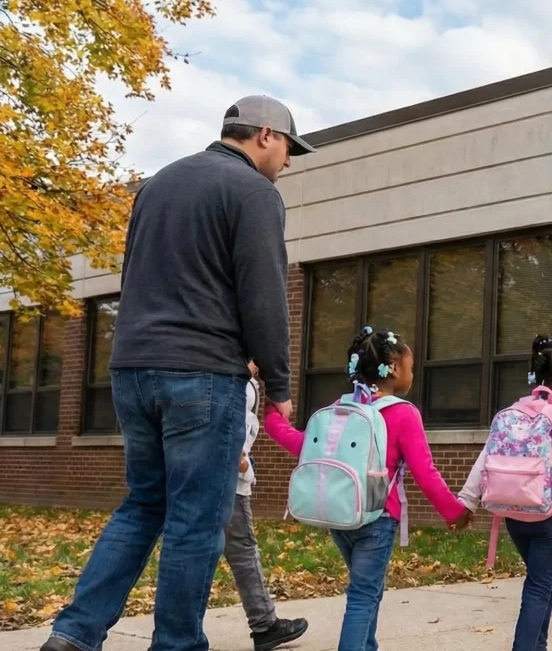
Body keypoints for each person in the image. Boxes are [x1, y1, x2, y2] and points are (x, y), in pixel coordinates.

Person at [44, 96, 314, 651]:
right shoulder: (254, 193)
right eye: (288, 147)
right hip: (202, 374)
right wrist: (281, 387)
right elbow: (264, 293)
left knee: (143, 504)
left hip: (132, 369)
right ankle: (177, 645)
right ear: (266, 135)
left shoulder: (159, 183)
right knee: (196, 519)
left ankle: (73, 636)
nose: (288, 161)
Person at [262, 328, 471, 651]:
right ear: (395, 369)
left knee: (367, 589)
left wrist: (274, 420)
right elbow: (425, 473)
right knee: (362, 595)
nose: (412, 374)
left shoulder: (340, 408)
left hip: (341, 515)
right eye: (411, 367)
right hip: (378, 518)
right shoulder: (404, 413)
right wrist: (455, 511)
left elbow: (304, 445)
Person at [458, 331, 552, 651]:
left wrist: (467, 501)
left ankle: (538, 645)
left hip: (513, 512)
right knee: (540, 585)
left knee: (544, 578)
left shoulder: (516, 410)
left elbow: (486, 458)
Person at [226, 362, 309, 651]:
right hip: (227, 475)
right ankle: (264, 624)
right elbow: (226, 414)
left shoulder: (242, 376)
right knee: (241, 548)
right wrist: (240, 459)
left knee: (227, 548)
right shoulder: (231, 373)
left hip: (226, 471)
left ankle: (264, 623)